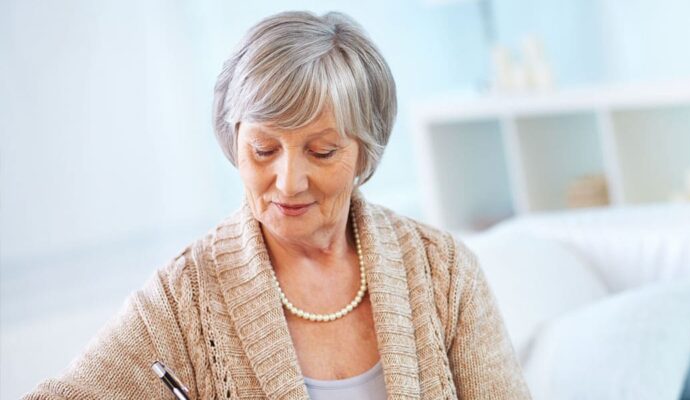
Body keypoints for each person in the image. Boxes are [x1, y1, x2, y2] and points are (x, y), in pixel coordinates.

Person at [24, 10, 530, 399]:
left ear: (363, 151)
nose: (288, 182)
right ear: (233, 141)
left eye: (322, 151)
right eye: (263, 150)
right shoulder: (184, 299)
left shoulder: (444, 272)